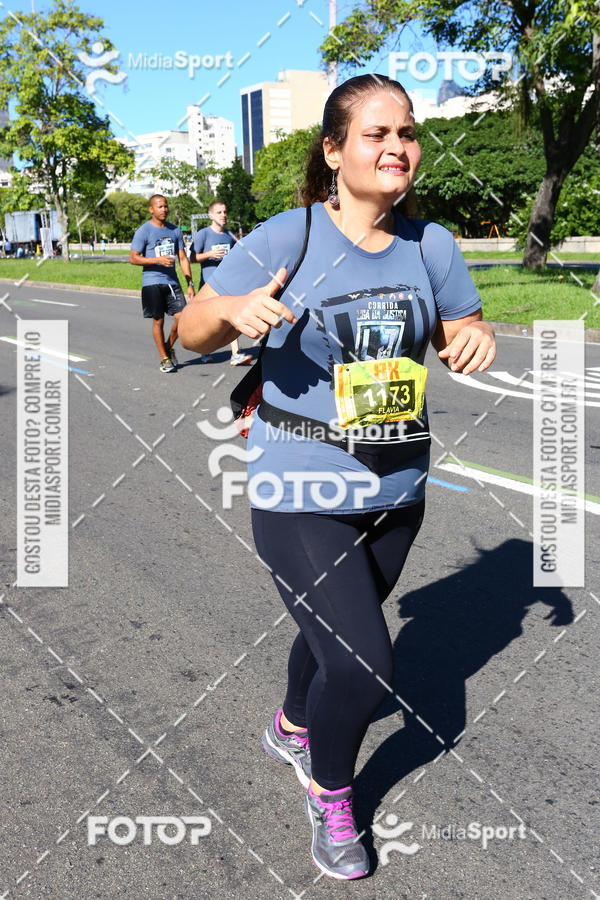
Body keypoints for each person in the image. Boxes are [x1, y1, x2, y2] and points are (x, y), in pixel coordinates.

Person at [179, 74, 496, 880]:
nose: (397, 149)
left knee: (331, 641)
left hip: (397, 492)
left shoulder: (434, 245)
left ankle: (291, 723)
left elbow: (462, 320)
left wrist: (472, 340)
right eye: (376, 134)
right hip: (300, 490)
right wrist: (234, 311)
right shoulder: (291, 237)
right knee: (363, 667)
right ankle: (330, 790)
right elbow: (187, 327)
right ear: (334, 150)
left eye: (408, 133)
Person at [130, 194, 195, 372]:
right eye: (160, 206)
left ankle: (167, 346)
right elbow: (133, 258)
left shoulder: (174, 231)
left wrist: (190, 283)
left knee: (182, 319)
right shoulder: (144, 231)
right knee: (158, 321)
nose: (164, 209)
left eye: (166, 206)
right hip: (152, 283)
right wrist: (157, 260)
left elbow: (182, 258)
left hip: (172, 282)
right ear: (151, 209)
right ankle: (164, 358)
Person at [190, 201, 252, 366]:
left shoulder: (229, 235)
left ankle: (236, 354)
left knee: (232, 318)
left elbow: (238, 257)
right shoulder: (203, 234)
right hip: (208, 285)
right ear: (211, 215)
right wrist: (209, 254)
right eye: (219, 212)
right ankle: (204, 352)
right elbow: (192, 258)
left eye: (225, 212)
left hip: (228, 283)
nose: (223, 215)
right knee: (206, 320)